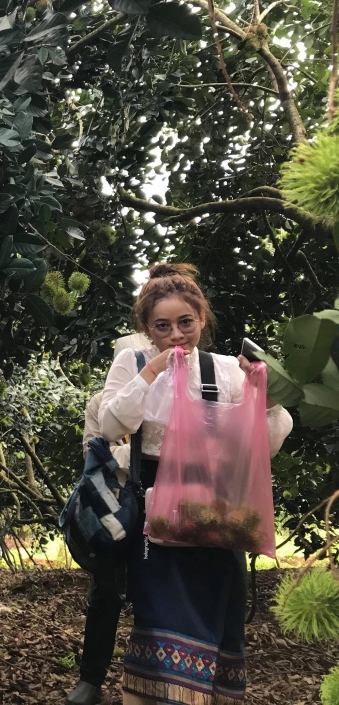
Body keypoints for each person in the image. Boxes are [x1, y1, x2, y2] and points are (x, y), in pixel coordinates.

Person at [97, 263, 292, 705]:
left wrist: (266, 398)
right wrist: (152, 374)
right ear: (147, 329)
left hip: (220, 520)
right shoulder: (134, 362)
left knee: (217, 625)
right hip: (157, 523)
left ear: (202, 319)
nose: (176, 335)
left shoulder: (224, 370)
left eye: (186, 323)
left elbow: (267, 441)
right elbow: (109, 424)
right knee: (160, 624)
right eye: (162, 326)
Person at [66, 337, 146, 705]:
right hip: (115, 512)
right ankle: (91, 680)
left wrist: (124, 454)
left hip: (162, 510)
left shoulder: (169, 396)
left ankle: (153, 681)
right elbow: (93, 453)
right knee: (106, 595)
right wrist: (142, 455)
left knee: (158, 594)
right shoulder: (100, 403)